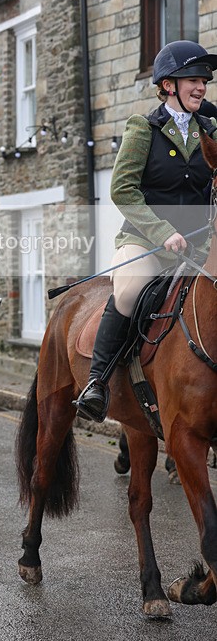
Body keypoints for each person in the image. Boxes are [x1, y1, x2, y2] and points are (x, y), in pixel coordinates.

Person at [75, 39, 217, 423]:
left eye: (205, 80)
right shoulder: (144, 128)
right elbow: (123, 189)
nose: (202, 87)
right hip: (146, 242)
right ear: (169, 84)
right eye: (193, 79)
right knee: (130, 289)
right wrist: (162, 231)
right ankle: (97, 381)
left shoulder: (212, 128)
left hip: (201, 247)